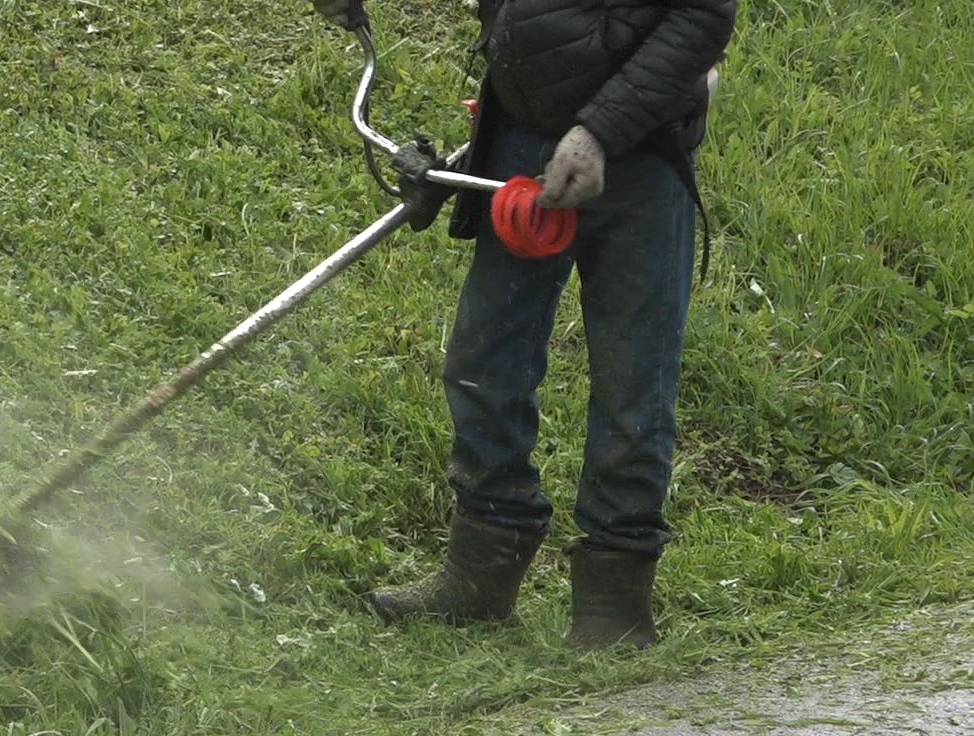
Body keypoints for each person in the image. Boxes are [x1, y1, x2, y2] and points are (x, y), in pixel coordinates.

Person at [312, 0, 737, 648]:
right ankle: (482, 571)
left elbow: (701, 19)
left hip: (644, 150)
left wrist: (598, 131)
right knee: (486, 361)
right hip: (520, 129)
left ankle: (615, 604)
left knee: (634, 385)